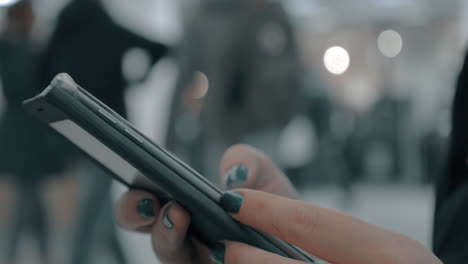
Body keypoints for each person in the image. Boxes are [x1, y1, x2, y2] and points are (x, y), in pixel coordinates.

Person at [41, 0, 169, 263]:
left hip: (71, 129)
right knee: (91, 211)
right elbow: (162, 49)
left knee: (96, 208)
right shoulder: (108, 27)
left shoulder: (62, 29)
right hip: (108, 132)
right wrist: (137, 77)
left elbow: (41, 74)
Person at [0, 1, 56, 263]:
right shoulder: (15, 47)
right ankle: (13, 255)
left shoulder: (18, 46)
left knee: (33, 203)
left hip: (26, 135)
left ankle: (37, 254)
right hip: (23, 137)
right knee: (26, 202)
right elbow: (23, 86)